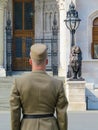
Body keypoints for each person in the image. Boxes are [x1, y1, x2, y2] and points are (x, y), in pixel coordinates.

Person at [10, 43, 68, 130]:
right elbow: (62, 115)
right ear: (47, 61)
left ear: (30, 62)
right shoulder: (57, 84)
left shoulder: (18, 83)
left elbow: (15, 113)